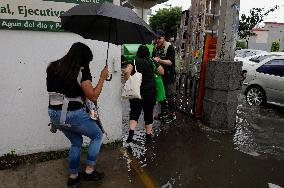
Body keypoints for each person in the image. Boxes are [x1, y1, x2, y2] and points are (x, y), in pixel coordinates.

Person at [46, 42, 109, 186]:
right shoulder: (81, 71)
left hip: (54, 115)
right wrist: (102, 77)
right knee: (97, 135)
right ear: (84, 59)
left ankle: (73, 176)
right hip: (72, 114)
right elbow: (92, 95)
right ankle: (89, 171)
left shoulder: (52, 66)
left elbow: (60, 90)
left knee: (76, 142)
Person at [124, 45, 164, 143]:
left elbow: (126, 72)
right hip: (150, 93)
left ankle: (131, 132)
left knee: (134, 112)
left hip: (136, 92)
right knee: (148, 113)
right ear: (148, 53)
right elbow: (162, 72)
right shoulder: (152, 61)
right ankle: (148, 135)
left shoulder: (133, 61)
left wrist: (128, 81)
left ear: (138, 52)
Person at [152, 30, 177, 124]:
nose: (157, 40)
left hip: (169, 76)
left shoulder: (169, 47)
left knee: (170, 96)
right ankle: (163, 113)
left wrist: (159, 60)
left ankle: (172, 115)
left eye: (159, 38)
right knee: (161, 96)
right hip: (159, 76)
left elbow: (170, 62)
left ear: (164, 38)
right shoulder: (155, 48)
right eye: (156, 38)